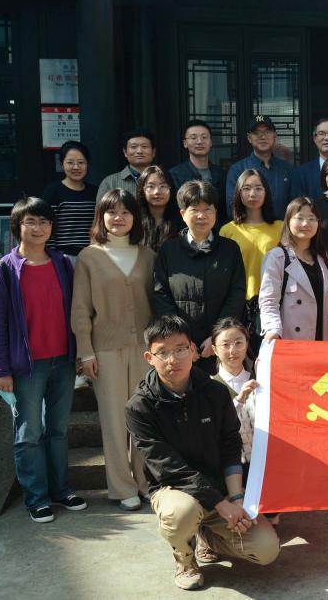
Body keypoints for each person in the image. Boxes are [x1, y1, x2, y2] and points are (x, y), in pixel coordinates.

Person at [125, 315, 279, 591]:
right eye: (163, 352)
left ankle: (208, 536)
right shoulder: (139, 407)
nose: (173, 359)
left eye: (180, 349)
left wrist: (237, 499)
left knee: (266, 550)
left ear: (193, 350)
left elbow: (231, 445)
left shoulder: (215, 392)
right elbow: (170, 468)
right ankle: (185, 559)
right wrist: (222, 505)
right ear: (149, 358)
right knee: (182, 512)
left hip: (220, 487)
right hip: (175, 488)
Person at [0, 197, 87, 523]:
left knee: (57, 430)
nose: (38, 228)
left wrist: (80, 352)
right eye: (31, 221)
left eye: (44, 221)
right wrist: (0, 369)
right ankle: (37, 497)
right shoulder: (2, 271)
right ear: (18, 226)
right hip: (26, 366)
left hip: (63, 360)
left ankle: (61, 490)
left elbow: (78, 312)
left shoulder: (63, 264)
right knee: (29, 433)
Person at [71, 189, 154, 511]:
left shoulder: (148, 255)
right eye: (111, 211)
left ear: (135, 217)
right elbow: (80, 309)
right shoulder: (89, 257)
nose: (118, 218)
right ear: (101, 216)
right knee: (115, 421)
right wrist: (85, 352)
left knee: (144, 418)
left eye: (125, 212)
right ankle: (122, 487)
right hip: (104, 350)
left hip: (145, 349)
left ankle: (146, 481)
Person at [153, 181, 246, 368]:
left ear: (215, 212)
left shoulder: (230, 249)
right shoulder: (169, 250)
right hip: (180, 348)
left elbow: (237, 293)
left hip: (222, 346)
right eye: (195, 210)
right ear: (182, 214)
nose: (201, 216)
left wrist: (217, 337)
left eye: (207, 209)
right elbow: (160, 295)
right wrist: (182, 340)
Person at [259, 197, 328, 342]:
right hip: (291, 340)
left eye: (311, 219)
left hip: (324, 341)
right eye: (299, 218)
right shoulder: (277, 257)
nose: (306, 223)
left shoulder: (322, 258)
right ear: (288, 221)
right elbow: (269, 301)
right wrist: (272, 330)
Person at [219, 169, 284, 334]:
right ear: (238, 193)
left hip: (273, 303)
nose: (252, 194)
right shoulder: (228, 230)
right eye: (246, 188)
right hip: (238, 304)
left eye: (258, 188)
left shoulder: (281, 228)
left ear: (266, 192)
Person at [225, 115, 295, 218]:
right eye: (257, 133)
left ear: (275, 136)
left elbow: (295, 206)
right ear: (249, 138)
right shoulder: (237, 170)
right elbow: (232, 208)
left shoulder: (287, 169)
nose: (262, 137)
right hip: (249, 227)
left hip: (282, 227)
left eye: (267, 132)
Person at [211, 318, 257, 471]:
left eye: (238, 343)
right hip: (230, 468)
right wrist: (239, 400)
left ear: (247, 344)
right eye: (225, 345)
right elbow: (214, 427)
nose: (233, 350)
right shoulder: (210, 386)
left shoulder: (259, 381)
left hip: (263, 462)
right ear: (215, 349)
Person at [41, 140, 98, 257]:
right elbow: (47, 226)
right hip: (63, 256)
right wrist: (52, 257)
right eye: (70, 162)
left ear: (87, 164)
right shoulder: (53, 191)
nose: (76, 167)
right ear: (62, 164)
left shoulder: (95, 192)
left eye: (81, 162)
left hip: (91, 255)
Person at [169, 120, 227, 225]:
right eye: (193, 137)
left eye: (204, 137)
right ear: (185, 143)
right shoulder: (174, 174)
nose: (199, 141)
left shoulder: (221, 174)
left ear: (211, 142)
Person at [97, 128, 156, 200]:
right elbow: (101, 207)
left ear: (153, 152)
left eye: (144, 146)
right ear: (125, 152)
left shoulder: (164, 179)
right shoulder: (110, 182)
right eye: (134, 147)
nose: (139, 151)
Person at [136, 165, 182, 252]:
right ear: (142, 190)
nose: (157, 192)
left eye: (163, 186)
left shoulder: (182, 221)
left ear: (171, 189)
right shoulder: (134, 221)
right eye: (151, 186)